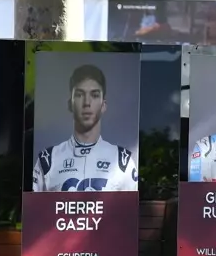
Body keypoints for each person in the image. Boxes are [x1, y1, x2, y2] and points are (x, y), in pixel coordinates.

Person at [33, 63, 138, 191]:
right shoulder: (48, 160)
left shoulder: (123, 162)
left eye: (94, 95)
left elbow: (129, 210)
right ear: (70, 104)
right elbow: (34, 210)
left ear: (103, 105)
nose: (87, 103)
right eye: (79, 95)